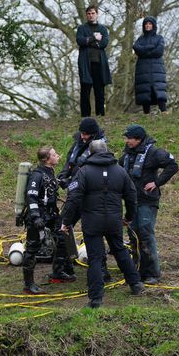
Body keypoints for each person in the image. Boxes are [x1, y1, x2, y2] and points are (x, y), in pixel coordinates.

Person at [61, 140, 145, 308]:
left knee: (95, 258)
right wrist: (129, 216)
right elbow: (131, 195)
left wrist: (66, 221)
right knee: (120, 250)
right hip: (114, 220)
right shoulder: (120, 171)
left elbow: (73, 198)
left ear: (90, 153)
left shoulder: (84, 171)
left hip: (92, 221)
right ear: (106, 150)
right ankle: (136, 284)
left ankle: (96, 298)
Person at [119, 124, 179, 284]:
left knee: (145, 233)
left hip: (147, 200)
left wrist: (157, 182)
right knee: (133, 234)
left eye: (129, 138)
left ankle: (152, 273)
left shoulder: (153, 152)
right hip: (132, 201)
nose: (126, 141)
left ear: (138, 139)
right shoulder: (126, 154)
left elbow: (173, 166)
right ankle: (137, 270)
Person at [57, 117, 112, 282]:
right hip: (75, 193)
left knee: (94, 233)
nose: (83, 137)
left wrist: (74, 180)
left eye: (86, 134)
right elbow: (69, 162)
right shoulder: (78, 143)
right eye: (81, 133)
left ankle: (103, 269)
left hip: (91, 196)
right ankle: (65, 265)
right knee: (63, 227)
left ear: (93, 134)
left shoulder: (100, 147)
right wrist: (63, 176)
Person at [22, 146, 76, 294]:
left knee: (63, 237)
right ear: (47, 159)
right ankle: (29, 284)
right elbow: (31, 197)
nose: (58, 156)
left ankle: (58, 273)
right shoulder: (37, 175)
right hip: (38, 217)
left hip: (52, 214)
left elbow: (53, 186)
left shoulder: (50, 172)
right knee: (32, 248)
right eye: (54, 154)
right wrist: (35, 217)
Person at [76, 5, 112, 117]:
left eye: (93, 13)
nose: (91, 15)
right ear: (86, 15)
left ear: (97, 14)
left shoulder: (103, 29)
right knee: (85, 91)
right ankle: (85, 116)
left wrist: (90, 41)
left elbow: (104, 43)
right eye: (89, 13)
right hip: (85, 64)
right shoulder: (82, 28)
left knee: (99, 91)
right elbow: (80, 41)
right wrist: (94, 38)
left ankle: (100, 115)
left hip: (99, 64)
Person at [133, 16, 168, 114]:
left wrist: (145, 51)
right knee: (145, 91)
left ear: (153, 25)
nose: (148, 26)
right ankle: (146, 114)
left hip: (157, 69)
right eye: (146, 24)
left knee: (158, 89)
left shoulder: (159, 38)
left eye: (150, 24)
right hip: (143, 69)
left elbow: (159, 51)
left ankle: (164, 111)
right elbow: (136, 48)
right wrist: (151, 47)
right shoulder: (140, 39)